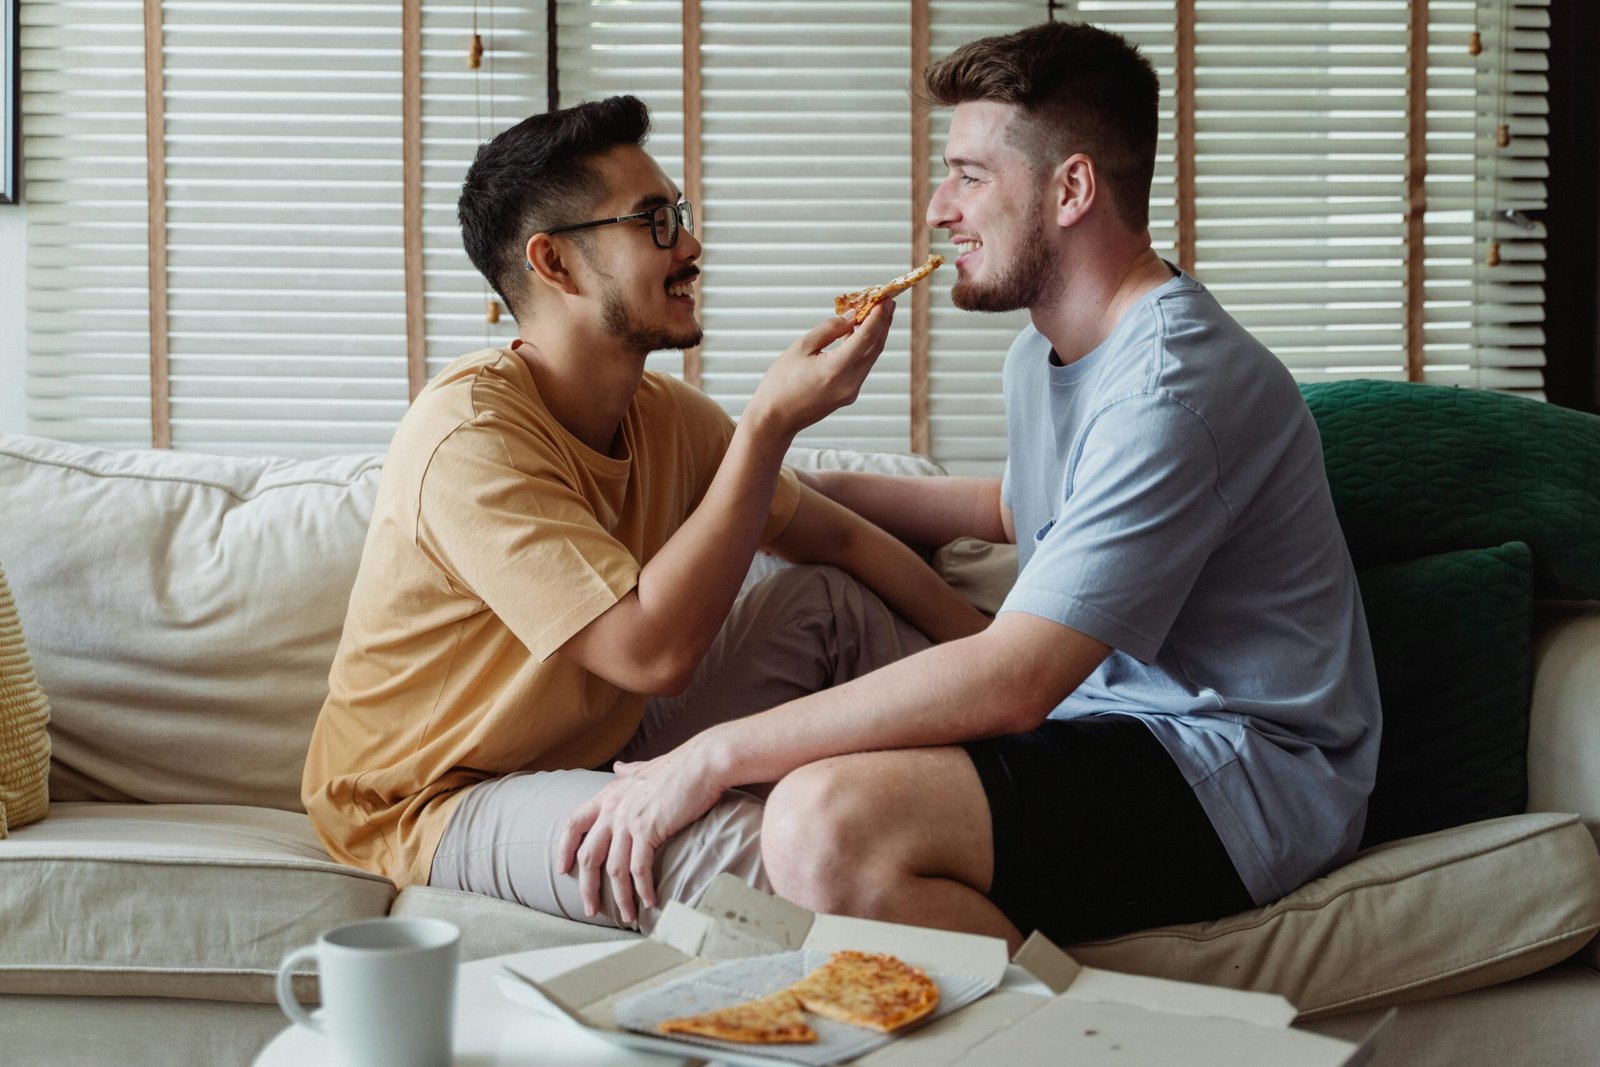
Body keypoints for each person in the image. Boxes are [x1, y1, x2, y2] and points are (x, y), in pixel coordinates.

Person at [557, 21, 1382, 951]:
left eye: (969, 175)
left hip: (1238, 770)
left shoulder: (1175, 388)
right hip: (1104, 721)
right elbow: (1018, 511)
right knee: (804, 680)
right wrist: (783, 486)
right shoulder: (1045, 355)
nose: (937, 208)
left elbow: (1020, 676)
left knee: (823, 824)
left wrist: (707, 755)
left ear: (1071, 188)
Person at [301, 95, 987, 933]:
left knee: (826, 603)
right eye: (655, 222)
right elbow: (650, 651)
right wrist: (769, 423)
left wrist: (1026, 671)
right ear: (554, 264)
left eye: (682, 215)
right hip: (436, 793)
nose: (691, 246)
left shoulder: (666, 416)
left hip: (596, 745)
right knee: (773, 856)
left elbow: (837, 534)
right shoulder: (468, 441)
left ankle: (1021, 793)